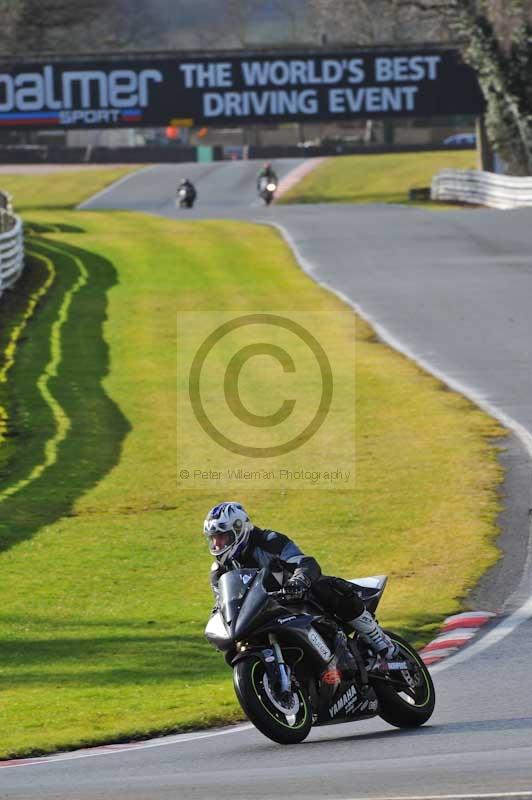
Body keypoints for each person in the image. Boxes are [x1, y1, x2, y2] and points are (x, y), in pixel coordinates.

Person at [204, 501, 398, 662]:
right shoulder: (219, 572)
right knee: (234, 648)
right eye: (213, 539)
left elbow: (304, 562)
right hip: (264, 613)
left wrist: (298, 580)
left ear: (239, 529)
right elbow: (223, 604)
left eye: (222, 537)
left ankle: (377, 638)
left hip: (297, 598)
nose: (217, 544)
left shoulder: (268, 540)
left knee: (326, 586)